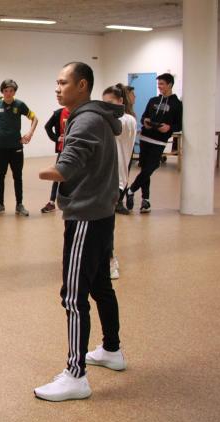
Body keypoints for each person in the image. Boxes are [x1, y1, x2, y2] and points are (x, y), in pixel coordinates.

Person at [35, 62, 125, 402]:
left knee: (73, 296)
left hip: (86, 217)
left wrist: (43, 172)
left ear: (82, 85)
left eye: (63, 82)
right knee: (100, 285)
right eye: (56, 82)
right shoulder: (96, 117)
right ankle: (112, 350)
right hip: (101, 214)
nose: (57, 88)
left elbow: (65, 168)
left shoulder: (85, 120)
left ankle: (76, 375)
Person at [125, 73, 183, 214]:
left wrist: (169, 128)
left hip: (160, 141)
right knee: (145, 169)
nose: (159, 86)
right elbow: (144, 116)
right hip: (145, 138)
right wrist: (145, 121)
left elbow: (179, 125)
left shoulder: (177, 104)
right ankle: (146, 200)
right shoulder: (153, 100)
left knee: (151, 167)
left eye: (162, 84)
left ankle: (131, 190)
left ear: (169, 84)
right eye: (158, 84)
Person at [0, 79, 38, 217]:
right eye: (6, 91)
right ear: (2, 91)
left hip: (16, 148)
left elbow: (34, 118)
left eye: (11, 91)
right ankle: (0, 204)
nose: (8, 93)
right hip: (0, 148)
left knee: (17, 177)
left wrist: (29, 133)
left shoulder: (19, 105)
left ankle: (19, 205)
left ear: (14, 91)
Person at [102, 84, 137, 279]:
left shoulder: (128, 121)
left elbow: (116, 127)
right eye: (103, 103)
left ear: (121, 102)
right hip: (100, 178)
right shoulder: (104, 120)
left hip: (116, 181)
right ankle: (102, 257)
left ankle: (110, 260)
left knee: (107, 223)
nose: (106, 107)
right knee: (98, 222)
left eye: (110, 103)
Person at [40, 107, 70, 213]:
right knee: (57, 174)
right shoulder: (58, 113)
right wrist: (57, 138)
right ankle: (52, 202)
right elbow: (47, 127)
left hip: (79, 149)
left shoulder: (81, 111)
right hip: (63, 149)